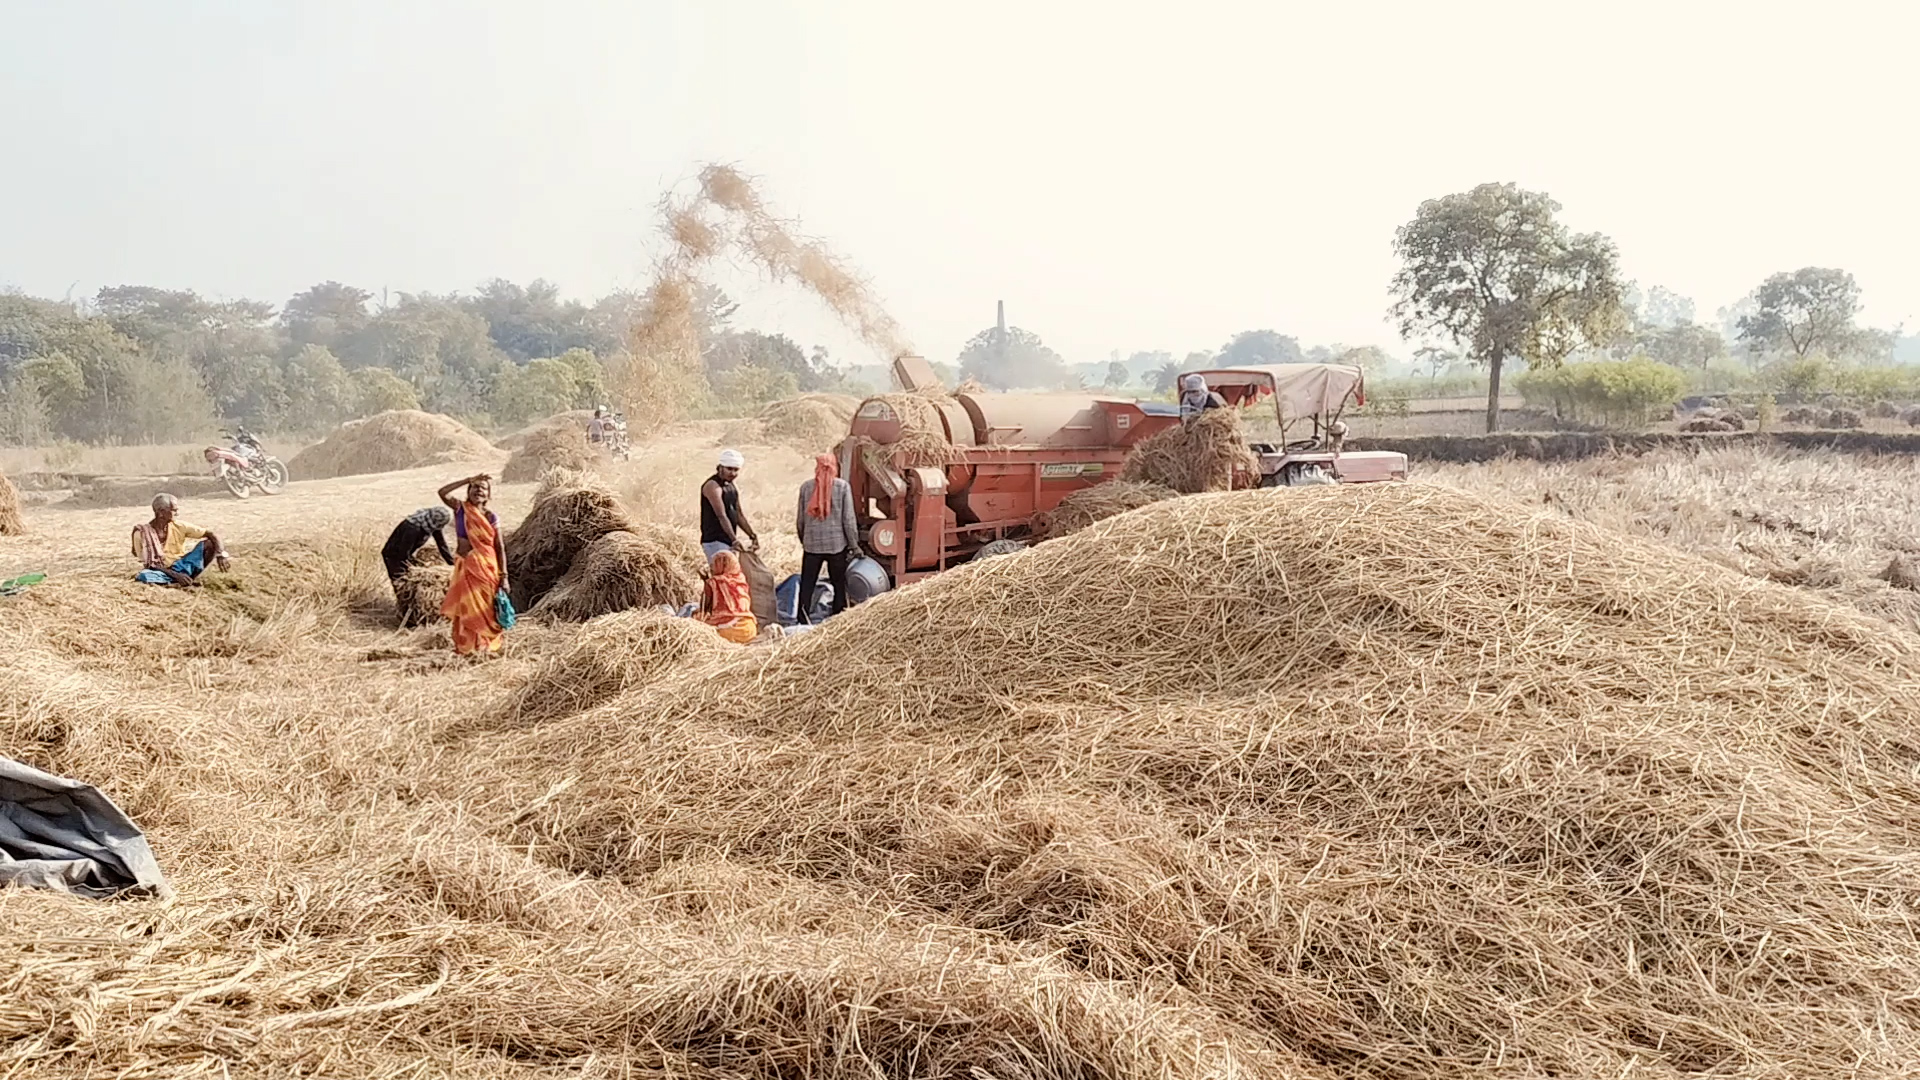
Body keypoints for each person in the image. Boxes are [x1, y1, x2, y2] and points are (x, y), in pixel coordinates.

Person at [437, 473, 510, 657]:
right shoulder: (461, 509)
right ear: (468, 491)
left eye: (483, 488)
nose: (479, 490)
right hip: (466, 566)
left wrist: (504, 576)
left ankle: (486, 647)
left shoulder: (492, 517)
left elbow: (499, 546)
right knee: (466, 607)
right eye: (474, 487)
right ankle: (467, 647)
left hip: (487, 568)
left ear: (488, 495)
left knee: (485, 608)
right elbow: (442, 492)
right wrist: (466, 479)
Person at [794, 451, 860, 623]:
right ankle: (837, 617)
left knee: (807, 583)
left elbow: (800, 520)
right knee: (838, 582)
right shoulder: (842, 487)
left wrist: (805, 540)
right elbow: (848, 519)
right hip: (837, 545)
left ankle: (802, 617)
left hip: (811, 546)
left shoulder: (806, 487)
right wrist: (854, 545)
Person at [131, 494, 230, 586]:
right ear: (161, 512)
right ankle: (178, 581)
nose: (177, 513)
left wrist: (221, 554)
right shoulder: (141, 534)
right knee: (144, 576)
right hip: (160, 571)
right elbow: (150, 565)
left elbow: (212, 534)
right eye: (174, 510)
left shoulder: (179, 526)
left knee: (210, 544)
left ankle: (188, 579)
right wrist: (175, 575)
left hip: (183, 566)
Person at [382, 506, 455, 623]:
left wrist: (452, 564)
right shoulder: (412, 528)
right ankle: (407, 617)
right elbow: (403, 553)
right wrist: (415, 569)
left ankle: (414, 614)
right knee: (402, 584)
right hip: (393, 556)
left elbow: (442, 544)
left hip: (405, 554)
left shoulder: (432, 521)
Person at [700, 448, 758, 563]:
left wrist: (752, 535)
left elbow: (738, 514)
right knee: (722, 577)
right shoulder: (713, 486)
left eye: (736, 470)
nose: (733, 473)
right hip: (715, 540)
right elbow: (721, 515)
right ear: (720, 467)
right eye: (729, 469)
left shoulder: (730, 486)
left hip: (727, 540)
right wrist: (734, 540)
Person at [698, 549, 757, 643]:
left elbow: (704, 609)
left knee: (697, 619)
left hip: (730, 630)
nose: (711, 568)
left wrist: (706, 582)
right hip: (749, 629)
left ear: (721, 565)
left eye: (713, 565)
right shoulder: (741, 579)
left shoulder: (714, 582)